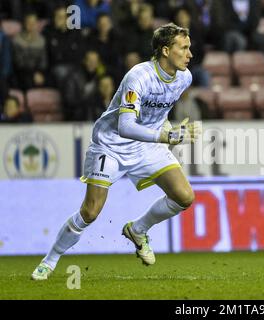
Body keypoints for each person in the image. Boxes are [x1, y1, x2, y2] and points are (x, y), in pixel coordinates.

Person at [31, 23, 199, 280]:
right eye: (184, 48)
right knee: (90, 211)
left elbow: (158, 112)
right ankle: (50, 260)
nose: (190, 54)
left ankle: (138, 230)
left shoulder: (184, 77)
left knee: (184, 196)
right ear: (165, 50)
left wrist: (167, 129)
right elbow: (125, 126)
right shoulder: (138, 77)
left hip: (146, 146)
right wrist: (165, 135)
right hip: (111, 145)